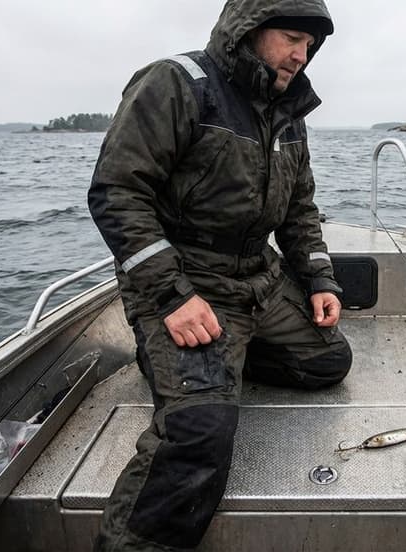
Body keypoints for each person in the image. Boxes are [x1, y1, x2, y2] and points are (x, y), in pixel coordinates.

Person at [87, 0, 351, 550]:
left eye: (309, 45)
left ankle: (212, 364)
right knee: (200, 433)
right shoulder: (176, 83)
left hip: (259, 277)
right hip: (186, 283)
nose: (301, 56)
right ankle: (184, 373)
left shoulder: (288, 110)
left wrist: (320, 281)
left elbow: (299, 209)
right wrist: (171, 296)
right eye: (291, 39)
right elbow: (116, 192)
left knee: (328, 361)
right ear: (248, 29)